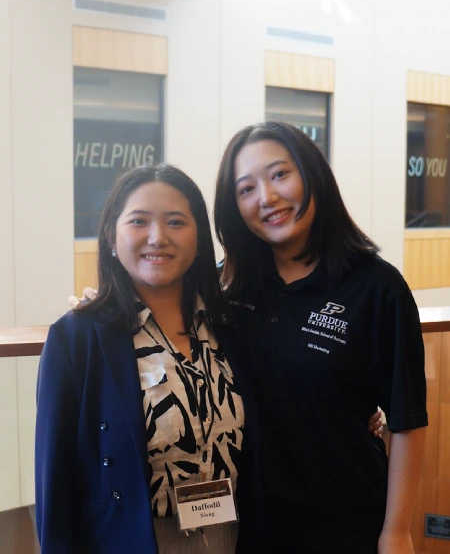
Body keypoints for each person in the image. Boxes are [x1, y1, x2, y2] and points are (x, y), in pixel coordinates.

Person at [214, 121, 428, 554]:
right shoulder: (228, 288)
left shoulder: (377, 287)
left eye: (279, 174)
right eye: (246, 189)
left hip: (345, 522)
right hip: (247, 527)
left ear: (313, 175)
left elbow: (406, 419)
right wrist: (99, 304)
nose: (267, 198)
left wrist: (396, 532)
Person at [35, 165, 264, 554]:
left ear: (198, 239)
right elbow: (53, 478)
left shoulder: (230, 326)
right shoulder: (77, 338)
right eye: (139, 221)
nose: (158, 238)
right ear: (111, 234)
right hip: (133, 540)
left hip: (232, 535)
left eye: (176, 222)